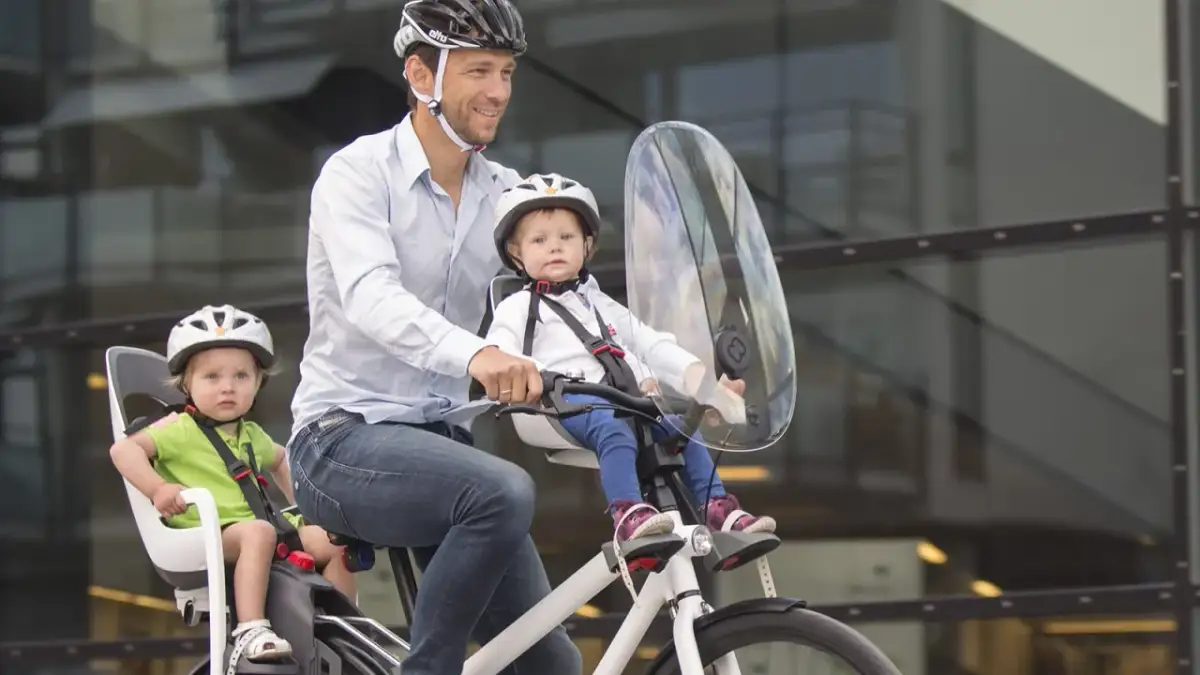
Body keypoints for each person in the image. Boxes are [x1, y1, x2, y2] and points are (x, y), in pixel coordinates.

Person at [285, 1, 582, 674]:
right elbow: (371, 298)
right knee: (501, 491)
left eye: (506, 72)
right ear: (421, 75)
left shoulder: (507, 197)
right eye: (479, 70)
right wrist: (478, 354)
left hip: (440, 451)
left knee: (551, 665)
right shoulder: (357, 175)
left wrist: (651, 369)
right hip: (339, 441)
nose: (499, 91)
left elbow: (550, 307)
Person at [484, 173, 779, 542]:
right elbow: (499, 352)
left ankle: (716, 506)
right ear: (516, 253)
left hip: (625, 399)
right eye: (539, 240)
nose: (554, 248)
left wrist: (699, 381)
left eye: (566, 237)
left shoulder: (600, 303)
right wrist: (522, 374)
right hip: (564, 401)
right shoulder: (518, 307)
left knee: (680, 429)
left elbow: (648, 342)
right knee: (612, 427)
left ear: (587, 245)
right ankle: (627, 512)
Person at [109, 305, 356, 664]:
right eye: (212, 377)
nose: (228, 387)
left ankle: (345, 627)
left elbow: (282, 460)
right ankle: (251, 628)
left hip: (259, 529)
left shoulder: (250, 434)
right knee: (257, 533)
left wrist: (308, 510)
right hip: (203, 530)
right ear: (185, 385)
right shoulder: (176, 428)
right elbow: (123, 450)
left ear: (258, 383)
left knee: (332, 541)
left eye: (241, 376)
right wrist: (158, 489)